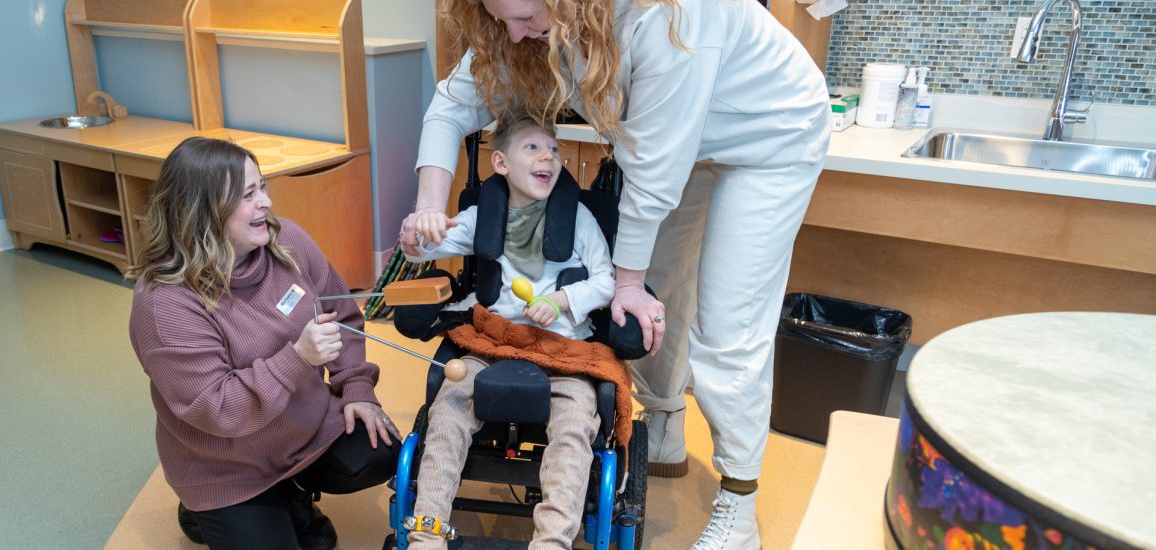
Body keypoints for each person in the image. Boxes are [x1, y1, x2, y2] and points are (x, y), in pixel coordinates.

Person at [401, 1, 831, 548]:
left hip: (768, 134)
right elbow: (452, 105)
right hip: (678, 142)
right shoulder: (526, 23)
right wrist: (428, 213)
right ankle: (668, 421)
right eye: (499, 16)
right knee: (666, 283)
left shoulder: (670, 18)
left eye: (526, 15)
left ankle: (739, 506)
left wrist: (626, 284)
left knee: (728, 320)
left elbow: (651, 178)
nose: (512, 32)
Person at [127, 137, 402, 550]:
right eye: (248, 195)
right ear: (202, 211)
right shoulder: (164, 303)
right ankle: (207, 510)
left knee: (380, 449)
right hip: (226, 465)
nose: (266, 204)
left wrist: (356, 388)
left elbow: (341, 316)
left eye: (263, 188)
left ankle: (291, 493)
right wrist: (297, 359)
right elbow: (219, 410)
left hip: (300, 429)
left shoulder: (285, 240)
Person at [400, 110, 617, 548]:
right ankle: (427, 536)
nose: (549, 157)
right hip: (493, 344)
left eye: (554, 150)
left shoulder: (579, 220)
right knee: (447, 411)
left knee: (575, 428)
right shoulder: (484, 217)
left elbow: (607, 282)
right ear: (500, 163)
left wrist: (560, 301)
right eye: (533, 147)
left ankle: (552, 541)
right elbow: (428, 247)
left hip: (563, 352)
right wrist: (417, 233)